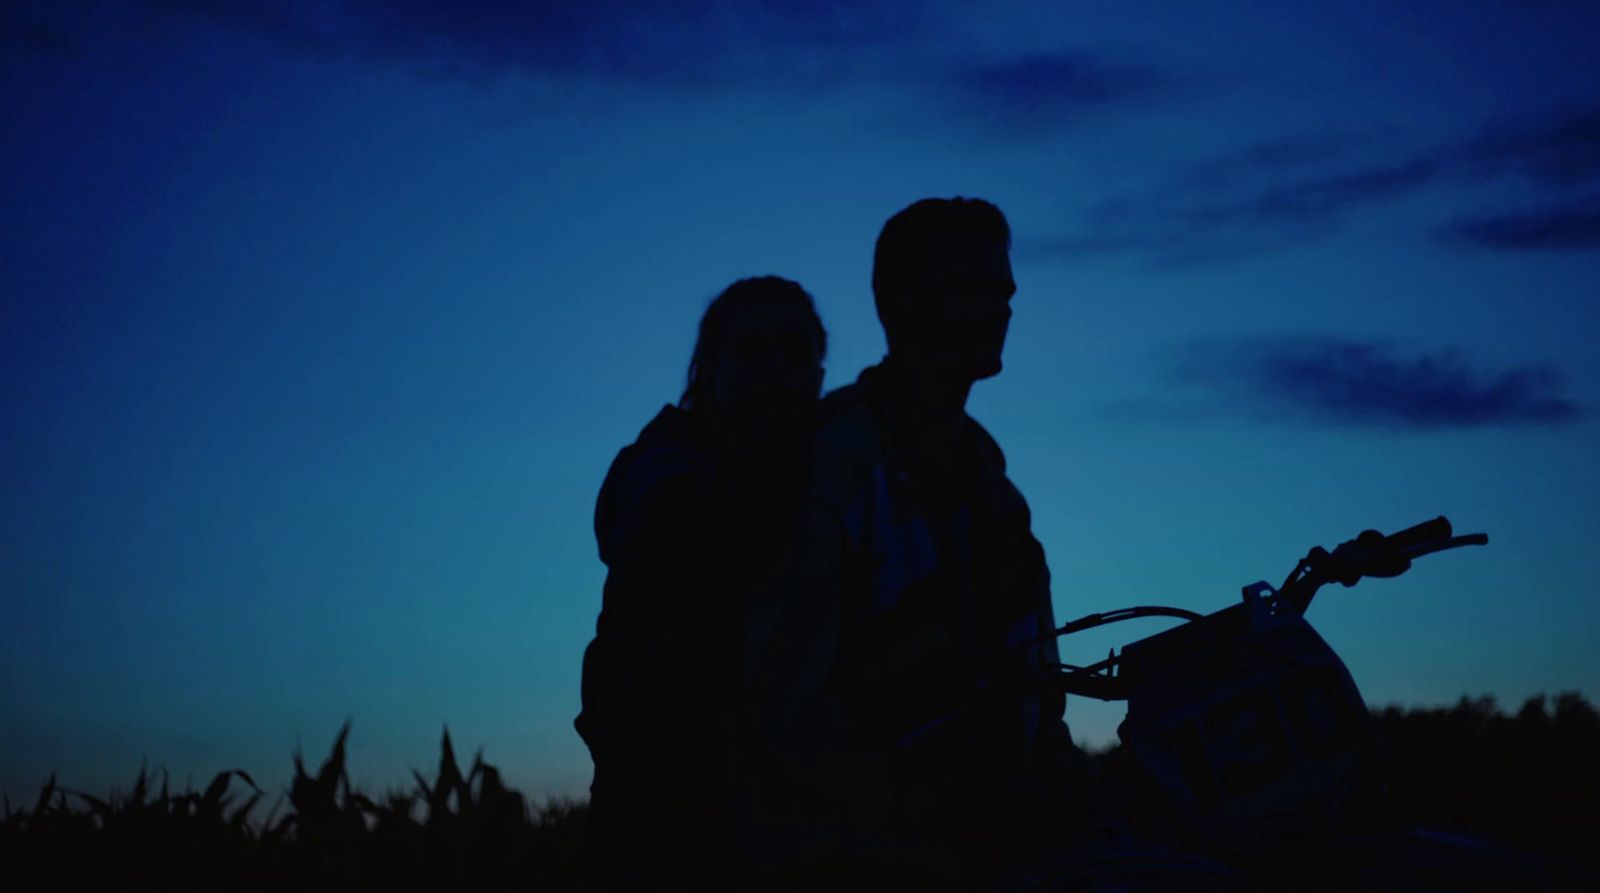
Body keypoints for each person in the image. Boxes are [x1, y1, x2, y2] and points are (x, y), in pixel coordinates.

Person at [734, 198, 1095, 888]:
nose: (1000, 309)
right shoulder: (832, 467)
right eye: (971, 289)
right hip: (844, 857)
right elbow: (786, 706)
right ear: (897, 302)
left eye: (1004, 291)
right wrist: (911, 809)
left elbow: (1038, 694)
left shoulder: (997, 496)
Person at [576, 276, 827, 890]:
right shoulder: (659, 472)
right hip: (668, 828)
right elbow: (712, 527)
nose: (775, 368)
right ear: (707, 367)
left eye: (795, 353)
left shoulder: (827, 471)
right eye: (752, 350)